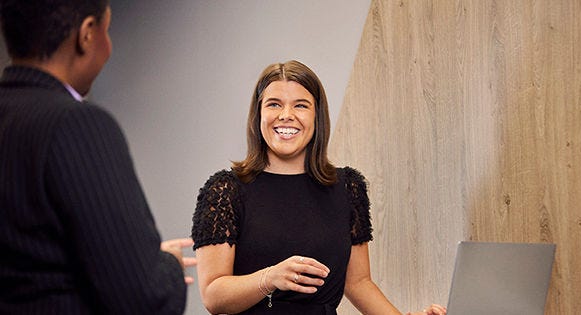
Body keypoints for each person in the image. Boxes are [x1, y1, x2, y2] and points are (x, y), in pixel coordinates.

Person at [191, 60, 446, 315]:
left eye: (300, 105)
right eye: (274, 104)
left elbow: (358, 283)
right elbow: (213, 295)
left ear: (317, 116)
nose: (286, 115)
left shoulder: (348, 188)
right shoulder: (225, 190)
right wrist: (269, 278)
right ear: (259, 114)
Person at [0, 0, 196, 313]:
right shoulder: (77, 124)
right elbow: (143, 297)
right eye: (107, 30)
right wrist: (166, 266)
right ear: (87, 34)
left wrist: (127, 257)